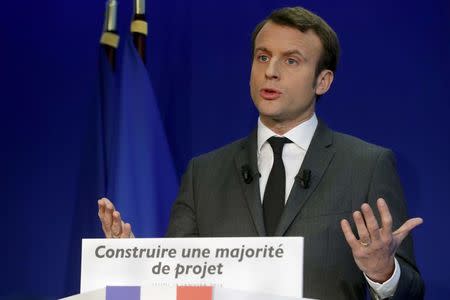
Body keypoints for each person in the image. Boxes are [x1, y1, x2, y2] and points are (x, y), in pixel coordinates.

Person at [98, 7, 424, 299]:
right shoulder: (204, 174)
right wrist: (132, 265)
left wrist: (383, 272)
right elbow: (174, 284)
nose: (271, 71)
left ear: (322, 81)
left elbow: (410, 292)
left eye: (291, 60)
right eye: (263, 57)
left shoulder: (367, 166)